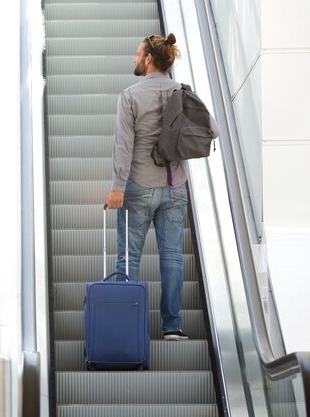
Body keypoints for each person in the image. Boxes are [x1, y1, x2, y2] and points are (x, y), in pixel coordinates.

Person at [106, 33, 213, 341]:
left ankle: (127, 329)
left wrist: (116, 188)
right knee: (172, 256)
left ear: (148, 59)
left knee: (129, 256)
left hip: (139, 184)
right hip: (176, 185)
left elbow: (123, 147)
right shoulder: (183, 92)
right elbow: (213, 129)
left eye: (137, 54)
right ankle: (172, 327)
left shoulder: (130, 96)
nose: (135, 59)